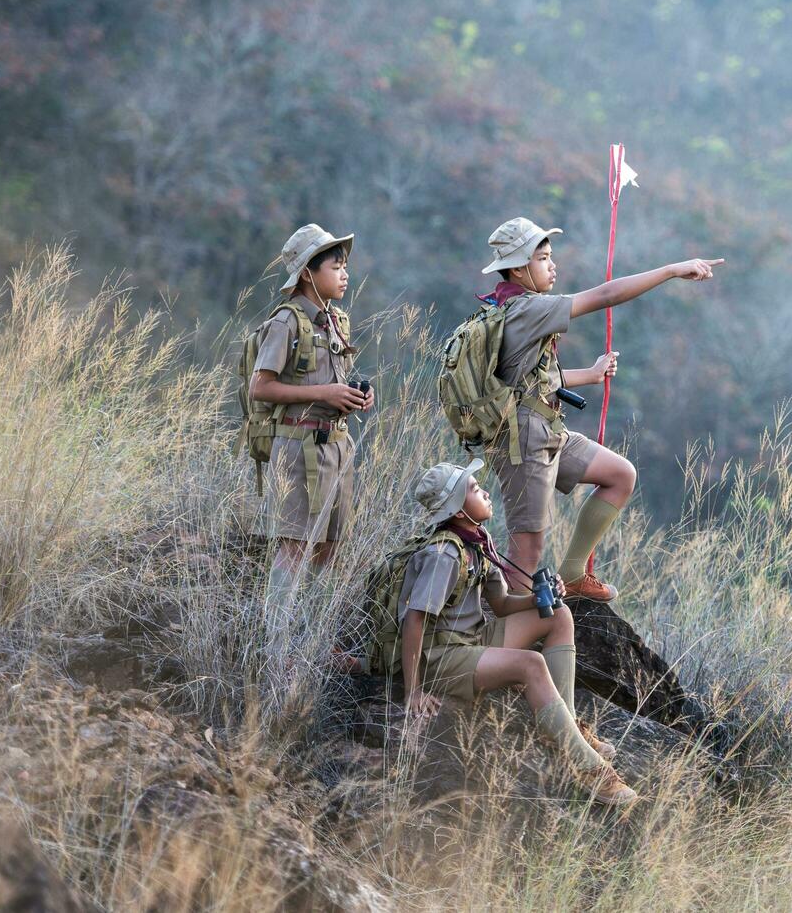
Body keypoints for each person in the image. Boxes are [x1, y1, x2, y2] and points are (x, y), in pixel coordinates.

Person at [477, 216, 723, 601]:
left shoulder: (514, 306)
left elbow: (526, 379)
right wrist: (672, 270)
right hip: (521, 438)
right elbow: (605, 295)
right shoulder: (525, 309)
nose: (552, 265)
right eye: (543, 259)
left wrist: (588, 375)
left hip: (544, 427)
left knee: (619, 475)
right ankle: (505, 634)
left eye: (550, 256)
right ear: (520, 268)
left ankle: (573, 574)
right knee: (527, 550)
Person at [390, 459, 637, 806]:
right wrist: (413, 690)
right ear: (458, 510)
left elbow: (503, 604)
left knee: (558, 615)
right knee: (531, 664)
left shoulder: (477, 540)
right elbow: (414, 620)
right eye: (474, 489)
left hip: (474, 640)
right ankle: (589, 769)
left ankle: (563, 726)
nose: (484, 491)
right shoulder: (444, 555)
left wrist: (540, 597)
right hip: (443, 658)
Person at [249, 223, 376, 696]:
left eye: (344, 264)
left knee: (329, 549)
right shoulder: (286, 321)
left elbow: (333, 379)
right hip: (297, 447)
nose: (344, 273)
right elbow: (260, 387)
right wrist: (323, 392)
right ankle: (276, 654)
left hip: (334, 447)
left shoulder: (335, 321)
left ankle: (314, 643)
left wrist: (355, 397)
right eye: (335, 265)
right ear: (307, 273)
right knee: (293, 549)